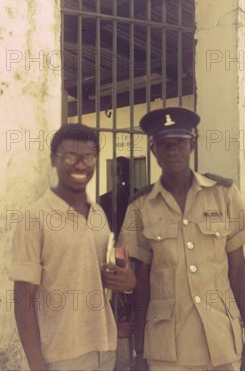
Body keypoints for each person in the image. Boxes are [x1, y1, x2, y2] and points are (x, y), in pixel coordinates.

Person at [119, 107, 245, 371]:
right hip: (167, 350)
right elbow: (141, 283)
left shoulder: (224, 194)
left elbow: (239, 269)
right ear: (153, 151)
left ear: (192, 145)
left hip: (220, 342)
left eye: (179, 143)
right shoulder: (140, 206)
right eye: (164, 144)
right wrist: (139, 353)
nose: (172, 150)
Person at [10, 123, 136, 371]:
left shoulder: (98, 213)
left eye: (88, 157)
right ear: (53, 160)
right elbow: (23, 297)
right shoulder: (35, 218)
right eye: (70, 156)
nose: (81, 165)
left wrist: (127, 281)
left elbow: (103, 276)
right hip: (62, 356)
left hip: (105, 349)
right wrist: (37, 366)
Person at [99, 156, 138, 370]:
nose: (121, 174)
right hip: (111, 256)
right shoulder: (103, 200)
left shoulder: (138, 197)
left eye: (124, 170)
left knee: (135, 299)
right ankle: (116, 335)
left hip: (137, 257)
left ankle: (135, 346)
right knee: (111, 301)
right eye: (117, 170)